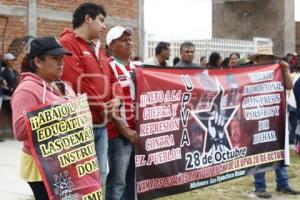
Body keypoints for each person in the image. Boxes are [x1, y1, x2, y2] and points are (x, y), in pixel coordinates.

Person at [59, 2, 123, 187]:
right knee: (80, 178)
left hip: (100, 123)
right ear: (88, 19)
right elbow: (78, 83)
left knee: (100, 173)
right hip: (80, 124)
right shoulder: (67, 44)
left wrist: (117, 99)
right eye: (101, 20)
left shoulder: (98, 48)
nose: (104, 26)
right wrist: (104, 107)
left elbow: (113, 79)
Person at [11, 37, 75, 200]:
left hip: (65, 159)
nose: (61, 63)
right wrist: (57, 112)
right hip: (40, 165)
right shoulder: (27, 89)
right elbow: (19, 131)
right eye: (55, 58)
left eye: (62, 58)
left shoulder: (64, 86)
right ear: (38, 61)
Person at [249, 45, 299, 199]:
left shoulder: (277, 71)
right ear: (257, 59)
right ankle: (260, 186)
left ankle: (282, 184)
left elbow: (289, 86)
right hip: (257, 118)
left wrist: (284, 70)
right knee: (259, 152)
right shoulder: (249, 74)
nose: (266, 59)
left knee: (280, 150)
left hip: (276, 116)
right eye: (262, 57)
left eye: (268, 57)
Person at [105, 26, 138, 200]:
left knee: (134, 180)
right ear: (111, 45)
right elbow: (108, 105)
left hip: (137, 132)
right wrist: (125, 131)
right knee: (118, 181)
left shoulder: (138, 66)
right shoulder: (107, 67)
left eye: (130, 39)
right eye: (123, 40)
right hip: (119, 134)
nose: (129, 43)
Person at [2, 52, 19, 127]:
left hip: (15, 96)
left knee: (15, 115)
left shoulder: (15, 72)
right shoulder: (3, 72)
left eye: (13, 60)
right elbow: (2, 85)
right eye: (11, 60)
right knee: (11, 115)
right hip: (7, 97)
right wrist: (10, 89)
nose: (13, 62)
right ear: (6, 61)